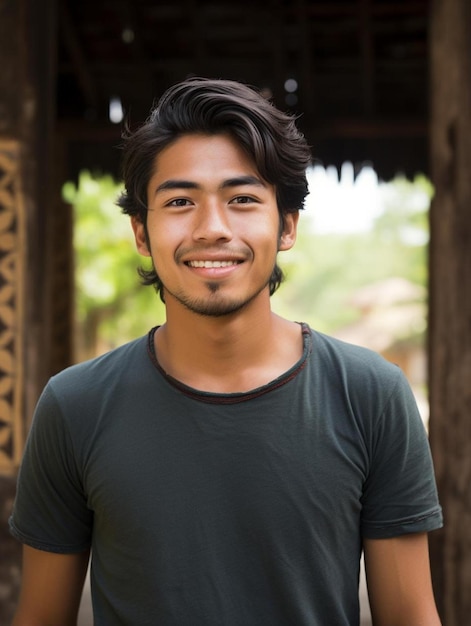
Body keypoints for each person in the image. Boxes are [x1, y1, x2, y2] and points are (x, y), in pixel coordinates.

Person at [10, 77, 443, 626]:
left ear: (286, 225)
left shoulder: (371, 394)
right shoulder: (74, 406)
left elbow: (410, 617)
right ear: (141, 233)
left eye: (242, 200)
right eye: (180, 201)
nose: (212, 228)